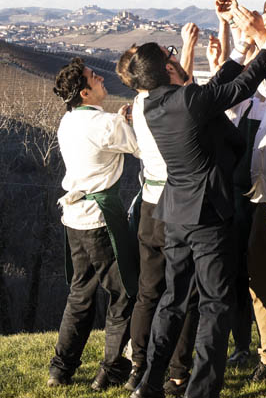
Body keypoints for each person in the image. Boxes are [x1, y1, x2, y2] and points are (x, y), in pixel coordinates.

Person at [125, 37, 266, 398]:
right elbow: (238, 89)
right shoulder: (188, 101)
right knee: (215, 303)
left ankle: (150, 382)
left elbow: (217, 88)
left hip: (174, 213)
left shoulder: (151, 105)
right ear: (165, 69)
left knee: (173, 300)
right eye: (169, 57)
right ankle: (202, 390)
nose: (175, 59)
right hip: (206, 215)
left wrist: (240, 50)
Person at [117, 24, 202, 396]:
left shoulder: (139, 104)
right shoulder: (172, 104)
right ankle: (178, 372)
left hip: (149, 206)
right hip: (176, 203)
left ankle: (139, 365)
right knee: (183, 291)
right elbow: (184, 88)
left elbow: (177, 82)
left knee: (149, 291)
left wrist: (184, 50)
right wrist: (187, 49)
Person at [47, 58, 140, 391]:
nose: (101, 78)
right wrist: (133, 119)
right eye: (94, 77)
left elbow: (104, 134)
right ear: (85, 92)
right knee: (123, 293)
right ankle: (112, 371)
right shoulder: (105, 125)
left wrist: (120, 118)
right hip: (102, 219)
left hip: (74, 218)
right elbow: (141, 147)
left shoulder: (68, 121)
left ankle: (61, 369)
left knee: (81, 294)